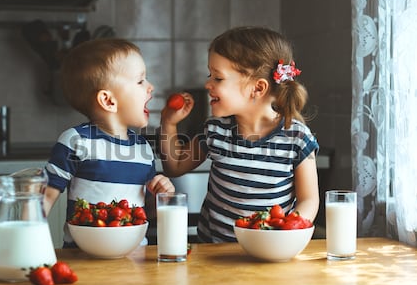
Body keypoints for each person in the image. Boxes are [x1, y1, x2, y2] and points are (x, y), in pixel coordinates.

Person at [159, 26, 319, 243]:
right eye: (210, 75)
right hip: (213, 255)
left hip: (268, 252)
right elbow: (175, 166)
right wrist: (168, 123)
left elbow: (309, 200)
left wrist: (289, 232)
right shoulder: (216, 130)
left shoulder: (297, 138)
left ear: (258, 88)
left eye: (218, 78)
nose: (208, 84)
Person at [44, 38, 175, 247]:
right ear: (108, 101)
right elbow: (45, 197)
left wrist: (162, 197)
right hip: (83, 260)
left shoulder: (143, 149)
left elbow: (148, 212)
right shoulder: (76, 141)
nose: (151, 87)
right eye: (140, 81)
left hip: (135, 261)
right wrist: (28, 243)